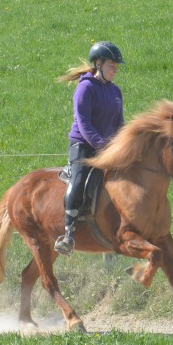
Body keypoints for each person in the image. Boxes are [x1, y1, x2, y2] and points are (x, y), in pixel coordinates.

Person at [54, 41, 126, 256]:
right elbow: (84, 124)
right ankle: (68, 234)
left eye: (116, 66)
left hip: (107, 148)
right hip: (83, 145)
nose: (115, 70)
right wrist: (101, 145)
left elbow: (119, 124)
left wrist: (122, 146)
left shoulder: (115, 91)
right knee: (78, 182)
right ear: (98, 64)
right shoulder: (85, 88)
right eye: (112, 65)